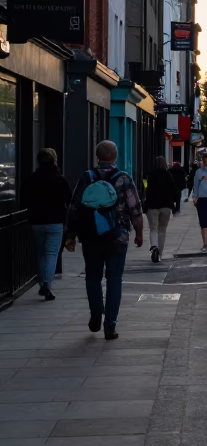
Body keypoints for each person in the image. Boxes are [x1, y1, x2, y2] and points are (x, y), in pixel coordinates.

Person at [64, 140, 144, 340]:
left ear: (97, 156)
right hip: (117, 236)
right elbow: (135, 207)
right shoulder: (123, 178)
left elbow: (74, 207)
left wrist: (71, 234)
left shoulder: (87, 177)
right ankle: (110, 324)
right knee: (114, 279)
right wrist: (139, 232)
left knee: (92, 277)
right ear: (115, 156)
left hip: (91, 235)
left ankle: (95, 314)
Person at [21, 148, 72, 301]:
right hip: (55, 222)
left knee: (40, 253)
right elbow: (69, 200)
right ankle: (47, 285)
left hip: (36, 221)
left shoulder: (31, 179)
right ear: (54, 160)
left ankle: (43, 281)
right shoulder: (60, 180)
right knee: (51, 254)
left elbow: (24, 199)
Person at [143, 156, 178, 263]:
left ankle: (154, 246)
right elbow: (174, 189)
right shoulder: (168, 175)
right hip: (166, 205)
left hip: (152, 205)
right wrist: (175, 203)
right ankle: (159, 254)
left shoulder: (149, 174)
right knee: (162, 230)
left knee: (153, 228)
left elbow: (146, 188)